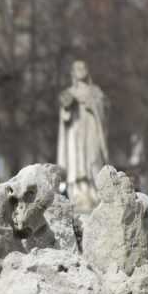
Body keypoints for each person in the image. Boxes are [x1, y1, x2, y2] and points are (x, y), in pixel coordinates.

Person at [56, 60, 109, 211]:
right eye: (77, 68)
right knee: (77, 162)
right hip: (76, 132)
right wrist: (67, 108)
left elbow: (105, 110)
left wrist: (92, 105)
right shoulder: (69, 92)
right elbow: (64, 118)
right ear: (73, 72)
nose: (81, 70)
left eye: (83, 67)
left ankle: (95, 193)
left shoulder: (96, 92)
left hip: (92, 130)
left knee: (93, 159)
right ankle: (79, 194)